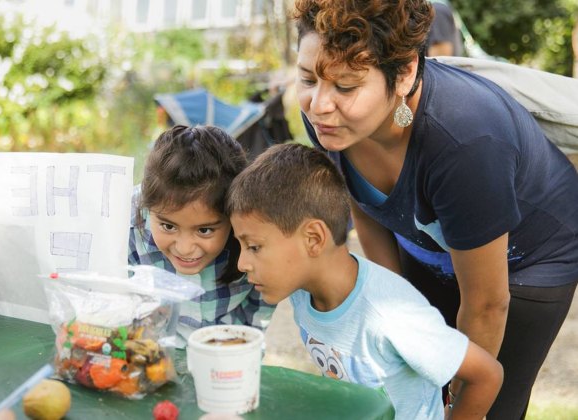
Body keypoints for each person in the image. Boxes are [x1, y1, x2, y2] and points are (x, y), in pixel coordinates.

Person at [291, 1, 578, 419]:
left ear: (404, 73)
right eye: (306, 78)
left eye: (346, 87)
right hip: (433, 243)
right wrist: (389, 310)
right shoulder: (330, 120)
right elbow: (366, 208)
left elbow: (486, 305)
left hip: (530, 260)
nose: (318, 104)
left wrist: (459, 402)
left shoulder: (465, 142)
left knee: (486, 406)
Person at [225, 143, 503, 420]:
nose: (242, 263)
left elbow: (487, 375)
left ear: (313, 239)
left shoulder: (390, 315)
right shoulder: (302, 292)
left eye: (254, 247)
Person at [128, 125, 275, 346]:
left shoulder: (255, 238)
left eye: (204, 230)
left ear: (232, 217)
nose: (185, 248)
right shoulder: (126, 226)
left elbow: (256, 312)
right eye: (168, 226)